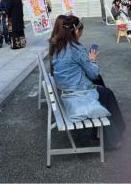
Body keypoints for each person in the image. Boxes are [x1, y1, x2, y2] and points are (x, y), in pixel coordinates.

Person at [49, 15, 125, 150]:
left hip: (65, 90)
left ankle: (100, 132)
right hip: (77, 94)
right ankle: (114, 135)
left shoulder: (56, 46)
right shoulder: (76, 49)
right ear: (76, 31)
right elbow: (93, 73)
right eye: (80, 32)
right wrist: (92, 59)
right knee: (106, 93)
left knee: (101, 85)